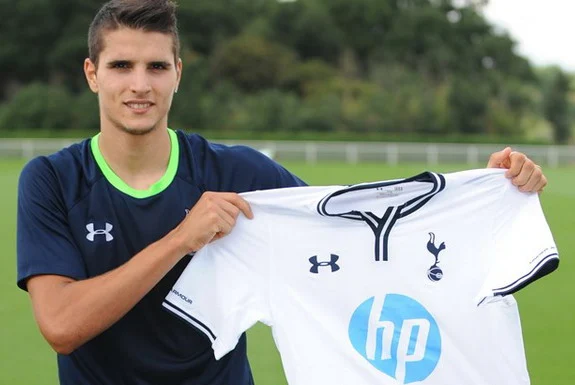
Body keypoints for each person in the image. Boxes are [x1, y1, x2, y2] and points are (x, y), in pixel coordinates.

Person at [16, 0, 547, 384]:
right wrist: (182, 239)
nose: (140, 85)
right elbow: (61, 325)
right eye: (121, 67)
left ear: (178, 74)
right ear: (92, 74)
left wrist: (486, 188)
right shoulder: (52, 180)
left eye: (157, 66)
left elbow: (358, 225)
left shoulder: (237, 170)